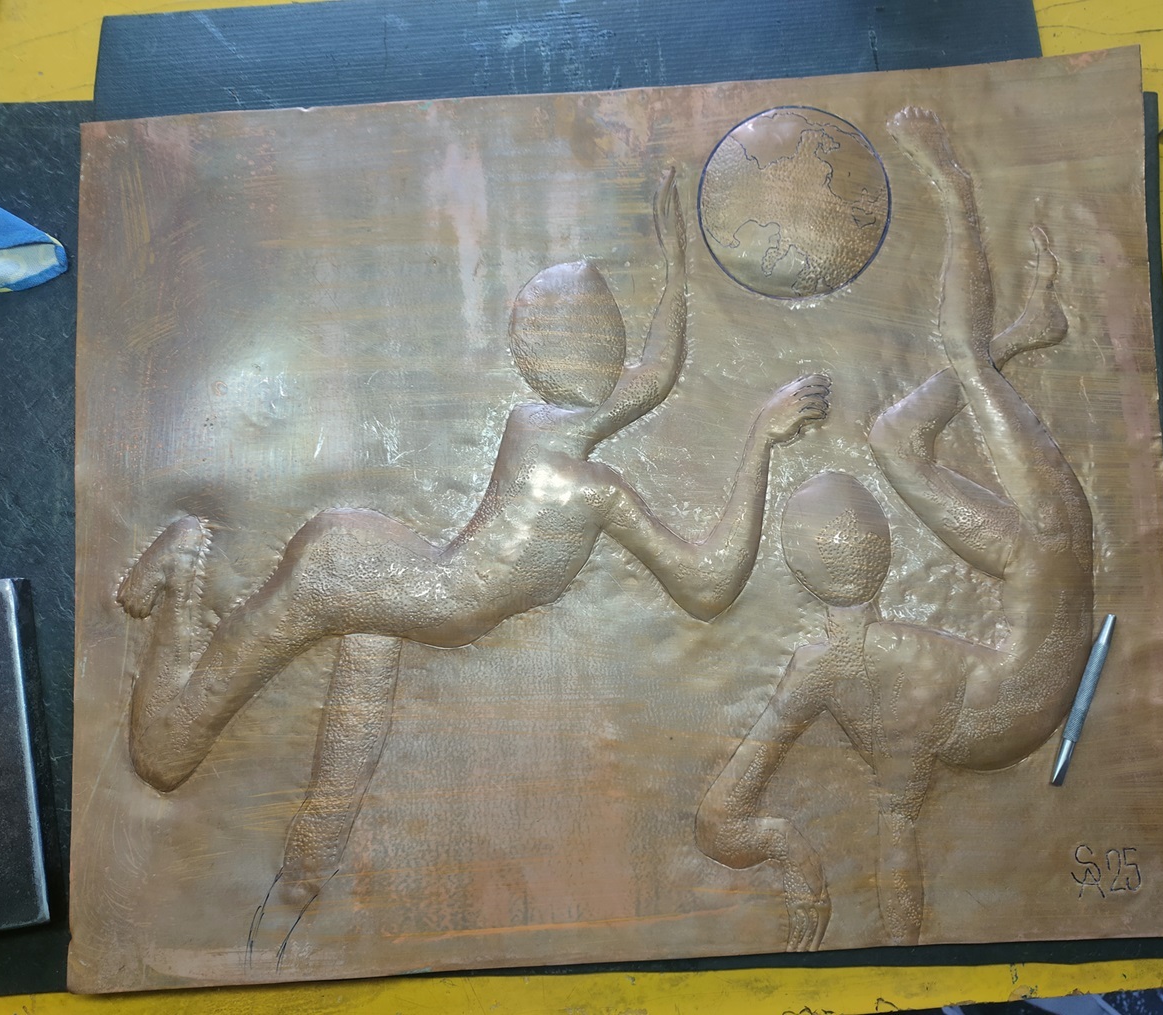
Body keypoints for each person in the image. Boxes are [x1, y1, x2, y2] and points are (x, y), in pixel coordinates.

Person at [116, 168, 830, 961]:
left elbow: (655, 379)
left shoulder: (540, 422)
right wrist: (760, 440)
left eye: (610, 329)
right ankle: (184, 568)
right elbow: (707, 584)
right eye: (596, 333)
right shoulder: (587, 489)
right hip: (350, 577)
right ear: (552, 358)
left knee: (342, 773)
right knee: (166, 752)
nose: (614, 348)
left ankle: (289, 907)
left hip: (395, 589)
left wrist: (678, 263)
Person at [695, 108, 1094, 951]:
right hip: (1033, 642)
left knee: (910, 418)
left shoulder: (828, 661)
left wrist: (794, 859)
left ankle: (977, 233)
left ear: (800, 567)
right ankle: (963, 207)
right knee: (929, 395)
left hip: (1020, 671)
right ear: (882, 549)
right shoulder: (895, 649)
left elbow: (744, 811)